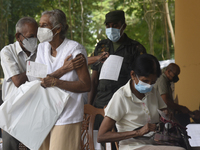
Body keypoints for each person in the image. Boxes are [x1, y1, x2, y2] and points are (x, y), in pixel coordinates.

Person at [97, 54, 185, 150]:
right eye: (145, 81)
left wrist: (167, 115)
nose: (148, 85)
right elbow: (101, 136)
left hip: (154, 143)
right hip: (132, 147)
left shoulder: (152, 92)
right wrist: (138, 132)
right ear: (133, 75)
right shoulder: (121, 96)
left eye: (153, 82)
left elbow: (164, 111)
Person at [36, 9, 91, 150]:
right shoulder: (41, 48)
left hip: (67, 114)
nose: (40, 29)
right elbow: (38, 82)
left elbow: (86, 85)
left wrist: (56, 82)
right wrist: (63, 69)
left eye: (44, 25)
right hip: (44, 113)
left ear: (58, 28)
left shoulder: (75, 50)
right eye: (39, 25)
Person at [88, 9, 146, 119]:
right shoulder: (101, 46)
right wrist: (90, 106)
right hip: (101, 102)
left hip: (125, 103)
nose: (111, 29)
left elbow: (142, 79)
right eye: (108, 26)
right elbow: (94, 78)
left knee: (123, 135)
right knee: (98, 134)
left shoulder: (135, 48)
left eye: (115, 25)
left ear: (123, 26)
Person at [0, 17, 38, 150]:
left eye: (36, 36)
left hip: (34, 110)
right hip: (13, 110)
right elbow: (17, 80)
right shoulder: (7, 52)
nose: (34, 40)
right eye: (31, 36)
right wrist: (38, 70)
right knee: (10, 145)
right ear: (18, 36)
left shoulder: (41, 51)